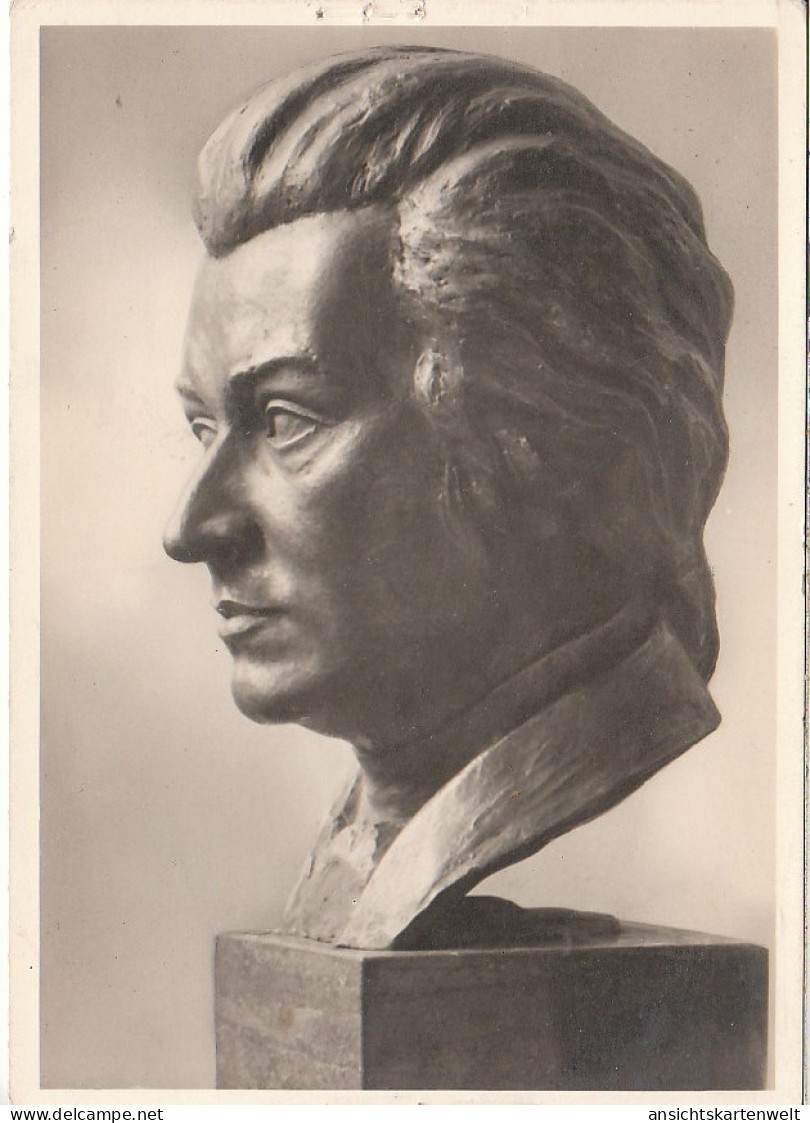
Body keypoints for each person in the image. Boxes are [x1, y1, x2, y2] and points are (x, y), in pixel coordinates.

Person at [163, 46, 733, 949]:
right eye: (204, 428)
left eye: (286, 419)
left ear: (546, 438)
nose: (192, 528)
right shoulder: (361, 845)